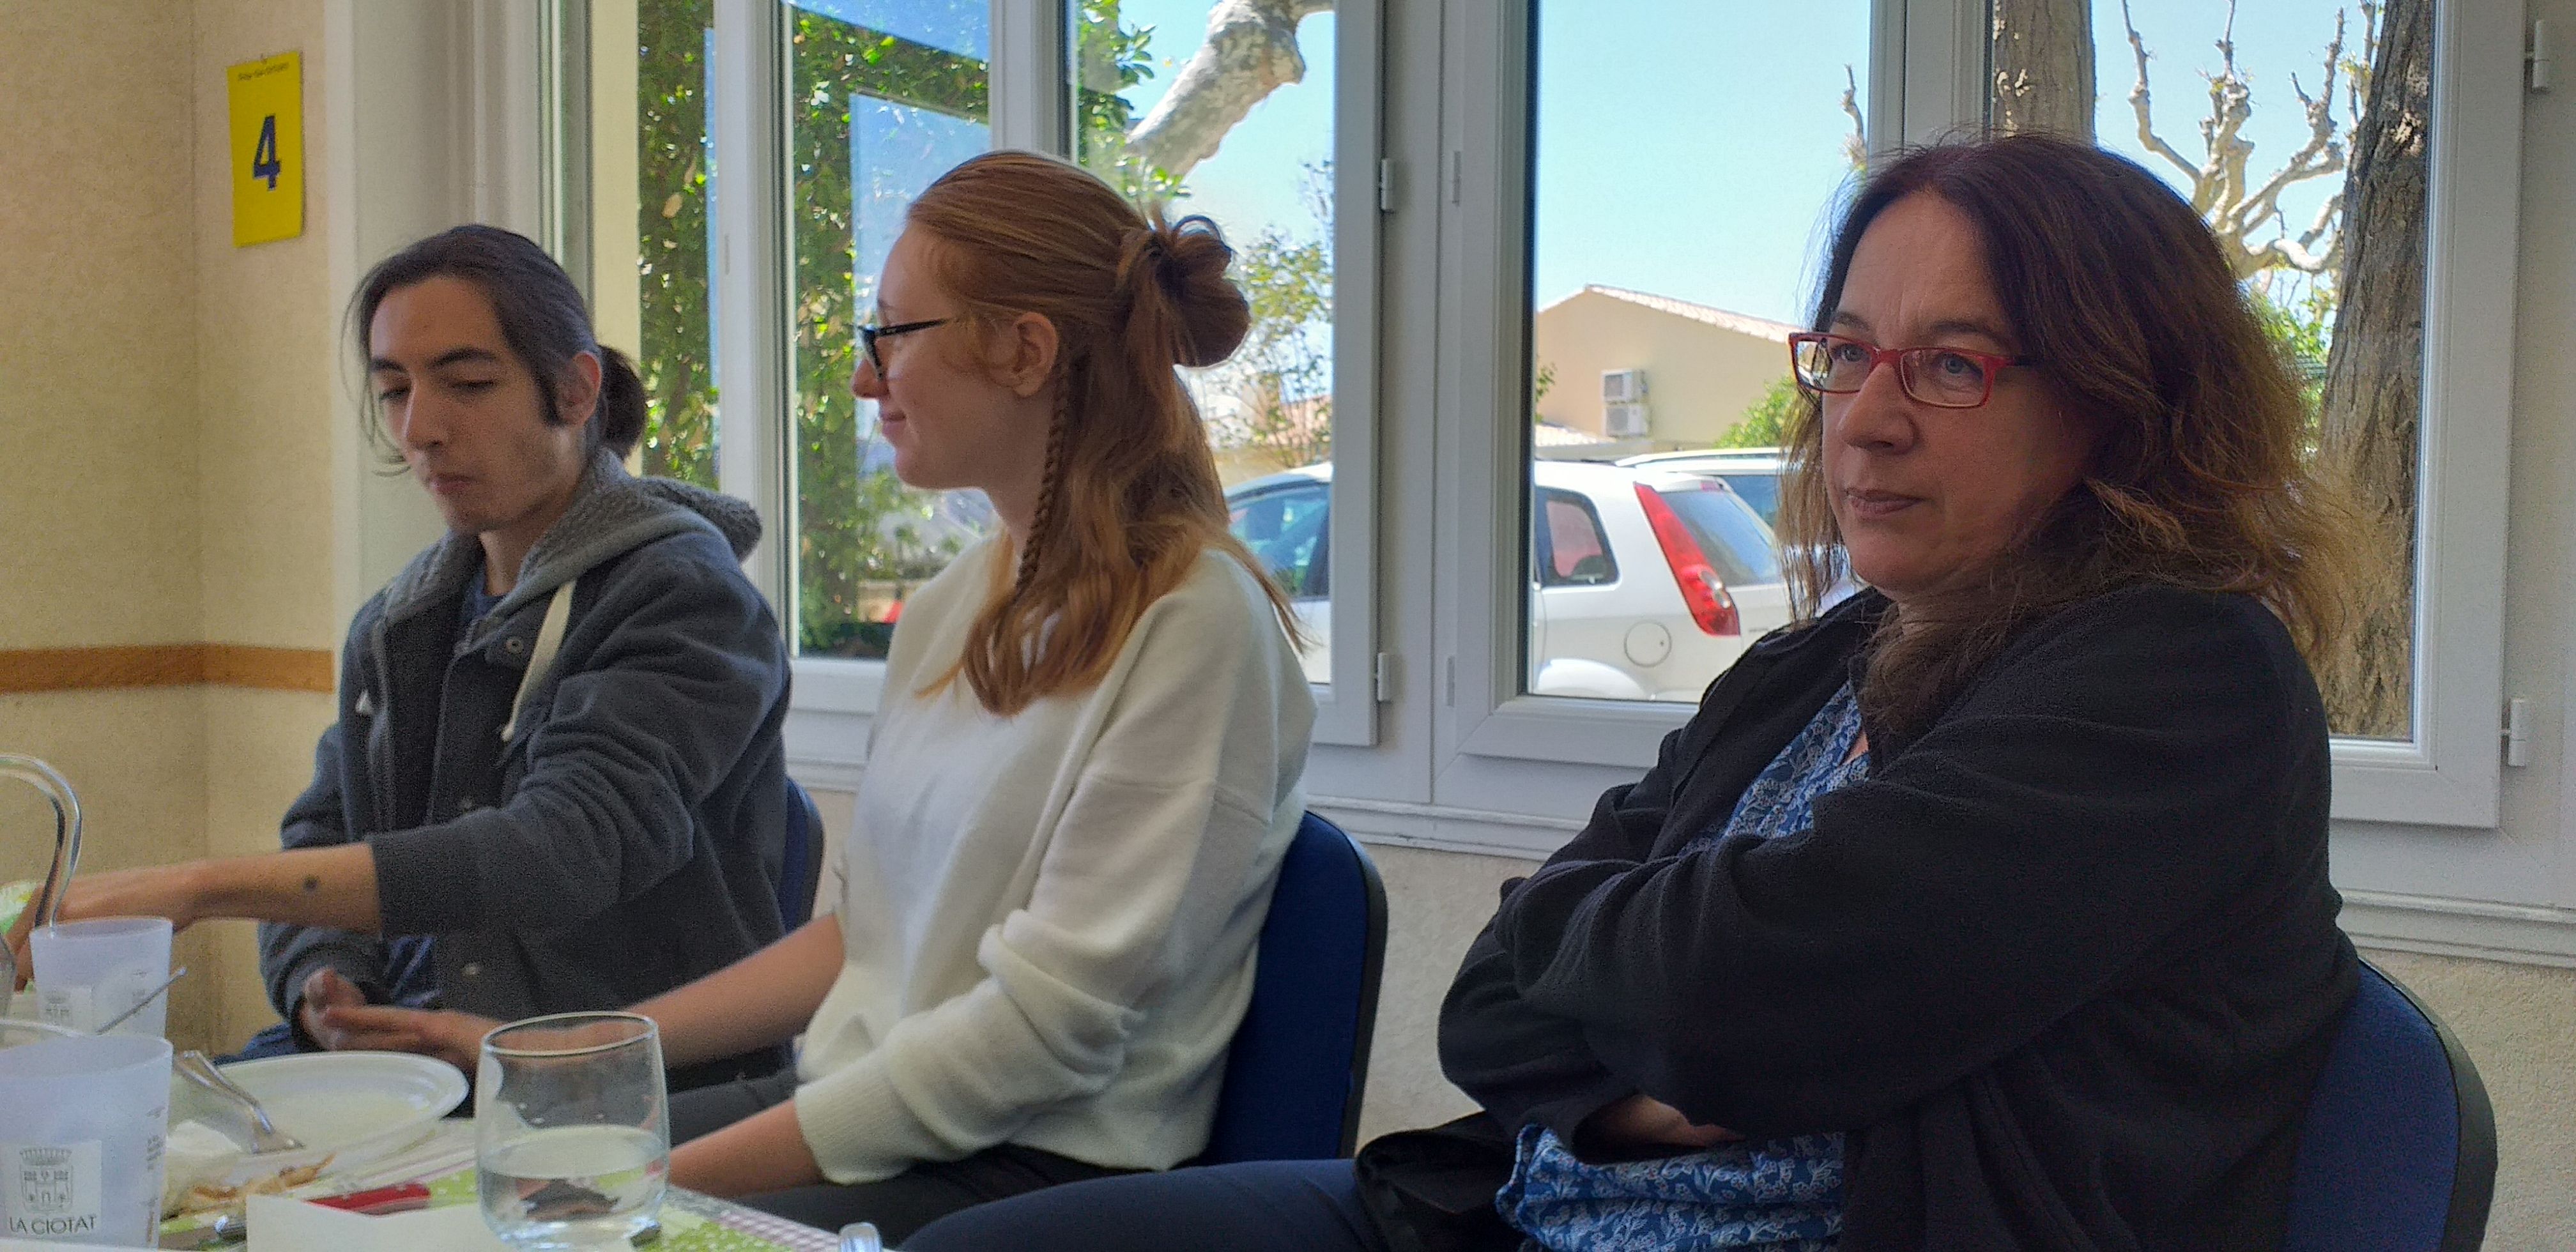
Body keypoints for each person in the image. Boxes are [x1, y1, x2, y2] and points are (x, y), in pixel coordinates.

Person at [904, 134, 2364, 1251]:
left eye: (1954, 365)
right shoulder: (1827, 657)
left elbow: (1744, 992)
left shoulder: (2184, 675)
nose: (1866, 417)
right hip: (1509, 1210)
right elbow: (1490, 995)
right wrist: (1630, 1070)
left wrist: (1640, 984)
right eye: (1849, 354)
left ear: (2124, 401)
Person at [304, 151, 1316, 1243]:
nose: (866, 382)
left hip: (1032, 1174)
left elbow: (1039, 1039)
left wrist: (645, 1182)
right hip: (878, 1112)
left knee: (518, 1223)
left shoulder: (1196, 624)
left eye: (893, 336)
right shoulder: (956, 606)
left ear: (1026, 352)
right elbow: (868, 938)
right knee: (440, 1202)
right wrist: (583, 1050)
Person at [6, 225, 798, 1092]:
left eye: (468, 384)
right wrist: (324, 985)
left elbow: (565, 846)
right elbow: (323, 831)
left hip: (616, 1088)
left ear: (576, 391)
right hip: (415, 1075)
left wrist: (200, 887)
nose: (419, 430)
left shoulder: (682, 593)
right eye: (393, 392)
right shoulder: (399, 622)